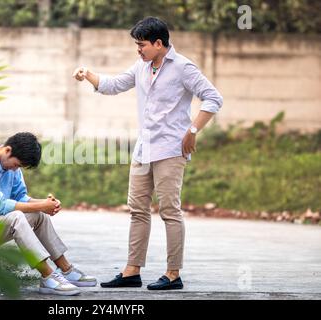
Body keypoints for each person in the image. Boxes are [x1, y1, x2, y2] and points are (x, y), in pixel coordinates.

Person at [73, 17, 223, 290]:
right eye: (136, 45)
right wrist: (89, 75)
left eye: (141, 45)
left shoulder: (184, 68)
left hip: (170, 149)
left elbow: (214, 98)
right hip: (144, 149)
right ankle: (132, 271)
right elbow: (115, 84)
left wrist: (193, 129)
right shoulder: (141, 67)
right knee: (137, 210)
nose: (138, 50)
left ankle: (173, 274)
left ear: (158, 43)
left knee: (169, 210)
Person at [0, 132, 97, 295]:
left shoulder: (11, 166)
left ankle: (66, 270)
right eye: (17, 165)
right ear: (8, 150)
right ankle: (48, 276)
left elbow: (21, 198)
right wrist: (41, 205)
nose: (16, 169)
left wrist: (46, 205)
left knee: (39, 215)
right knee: (16, 217)